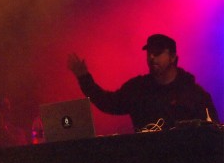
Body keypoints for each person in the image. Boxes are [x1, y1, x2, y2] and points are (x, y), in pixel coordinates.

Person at [67, 34, 220, 132]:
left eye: (158, 52)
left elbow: (213, 132)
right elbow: (108, 102)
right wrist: (84, 78)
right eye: (149, 53)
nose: (152, 57)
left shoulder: (194, 94)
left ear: (173, 57)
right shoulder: (138, 89)